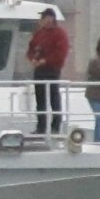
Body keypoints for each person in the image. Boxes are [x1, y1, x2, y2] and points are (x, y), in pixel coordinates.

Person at [27, 8, 70, 138]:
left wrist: (45, 61)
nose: (42, 21)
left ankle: (55, 126)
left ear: (50, 18)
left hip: (52, 70)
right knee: (40, 100)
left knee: (53, 98)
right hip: (39, 70)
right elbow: (31, 49)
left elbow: (61, 53)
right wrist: (33, 59)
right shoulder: (39, 33)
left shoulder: (60, 34)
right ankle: (41, 127)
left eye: (44, 18)